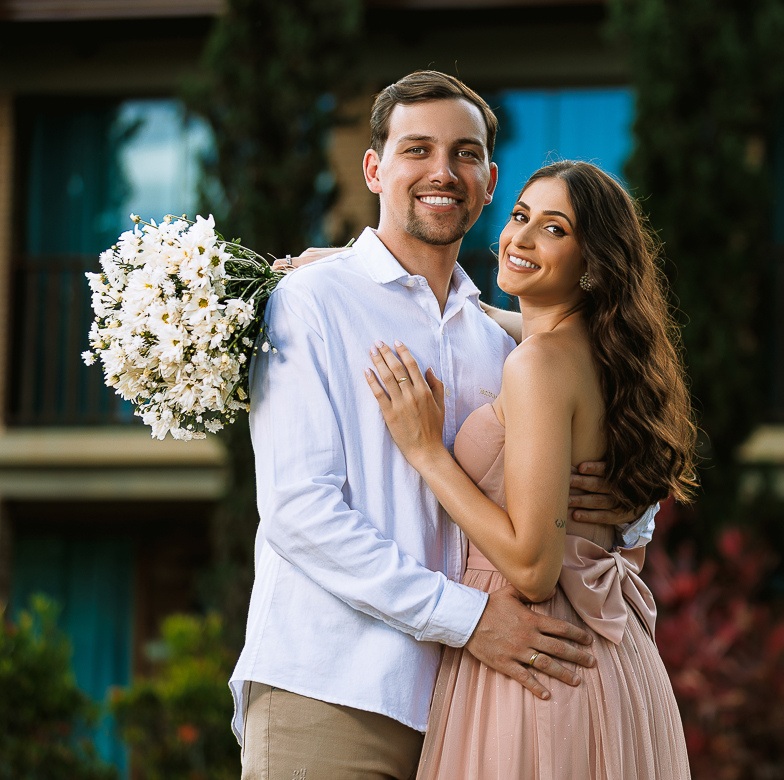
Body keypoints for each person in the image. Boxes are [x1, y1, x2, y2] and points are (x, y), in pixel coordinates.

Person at [230, 71, 655, 780]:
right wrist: (467, 618)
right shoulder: (311, 301)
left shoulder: (503, 338)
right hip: (335, 690)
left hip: (470, 705)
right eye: (417, 149)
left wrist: (628, 505)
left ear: (489, 182)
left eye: (465, 154)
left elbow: (608, 410)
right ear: (375, 169)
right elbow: (299, 510)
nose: (443, 171)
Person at [366, 160, 697, 779]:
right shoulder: (605, 355)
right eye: (520, 216)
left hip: (536, 658)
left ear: (593, 263)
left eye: (554, 228)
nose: (520, 237)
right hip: (609, 664)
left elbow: (533, 568)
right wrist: (349, 263)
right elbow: (487, 314)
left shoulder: (538, 364)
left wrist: (427, 453)